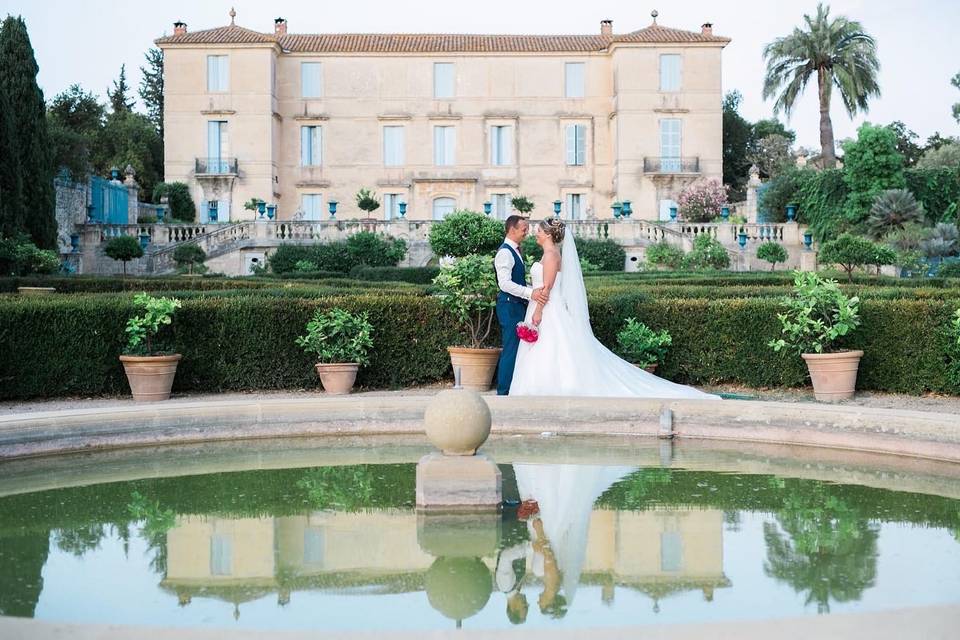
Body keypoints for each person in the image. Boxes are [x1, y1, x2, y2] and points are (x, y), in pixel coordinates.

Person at [508, 218, 719, 399]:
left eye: (538, 231)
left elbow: (546, 288)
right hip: (543, 307)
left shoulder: (552, 255)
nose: (534, 234)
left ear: (547, 234)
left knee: (553, 348)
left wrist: (537, 312)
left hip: (547, 310)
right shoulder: (548, 254)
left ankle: (550, 387)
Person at [494, 215, 548, 396]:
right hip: (509, 307)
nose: (527, 232)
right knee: (511, 348)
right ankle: (504, 391)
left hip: (517, 305)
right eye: (524, 229)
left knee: (517, 348)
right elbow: (505, 284)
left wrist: (533, 290)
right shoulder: (505, 252)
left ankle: (512, 388)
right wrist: (530, 293)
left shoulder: (515, 250)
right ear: (512, 230)